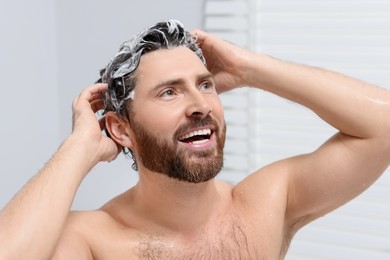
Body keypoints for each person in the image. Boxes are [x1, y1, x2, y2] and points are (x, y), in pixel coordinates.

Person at [0, 20, 389, 260]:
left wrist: (248, 68)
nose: (200, 105)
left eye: (205, 85)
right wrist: (78, 148)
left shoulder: (265, 206)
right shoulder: (91, 240)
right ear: (122, 129)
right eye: (169, 92)